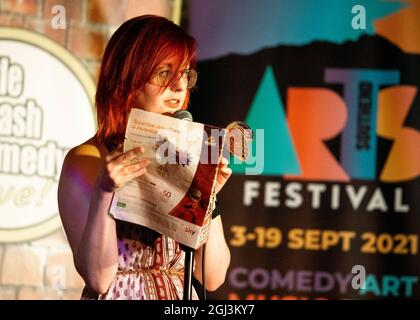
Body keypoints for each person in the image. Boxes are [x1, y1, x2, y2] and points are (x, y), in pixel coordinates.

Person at [57, 15, 231, 300]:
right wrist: (105, 191)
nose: (179, 87)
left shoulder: (185, 156)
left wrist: (206, 195)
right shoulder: (87, 159)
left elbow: (212, 277)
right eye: (165, 73)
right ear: (128, 78)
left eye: (185, 74)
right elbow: (99, 278)